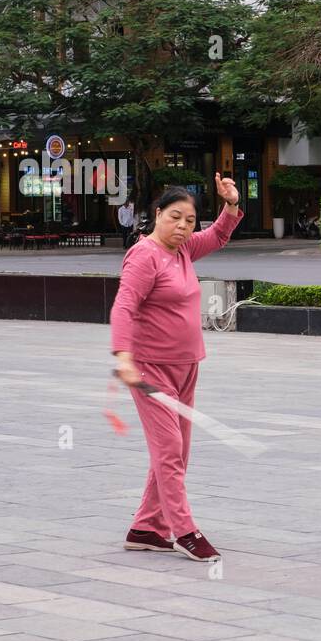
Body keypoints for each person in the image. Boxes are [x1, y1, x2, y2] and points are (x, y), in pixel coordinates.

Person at [110, 175, 242, 560]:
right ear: (157, 215)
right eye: (175, 217)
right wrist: (123, 357)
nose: (183, 226)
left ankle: (146, 527)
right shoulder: (145, 255)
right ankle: (184, 530)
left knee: (177, 451)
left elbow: (217, 236)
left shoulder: (182, 250)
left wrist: (231, 204)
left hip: (186, 367)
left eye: (189, 219)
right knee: (170, 451)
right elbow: (124, 305)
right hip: (151, 369)